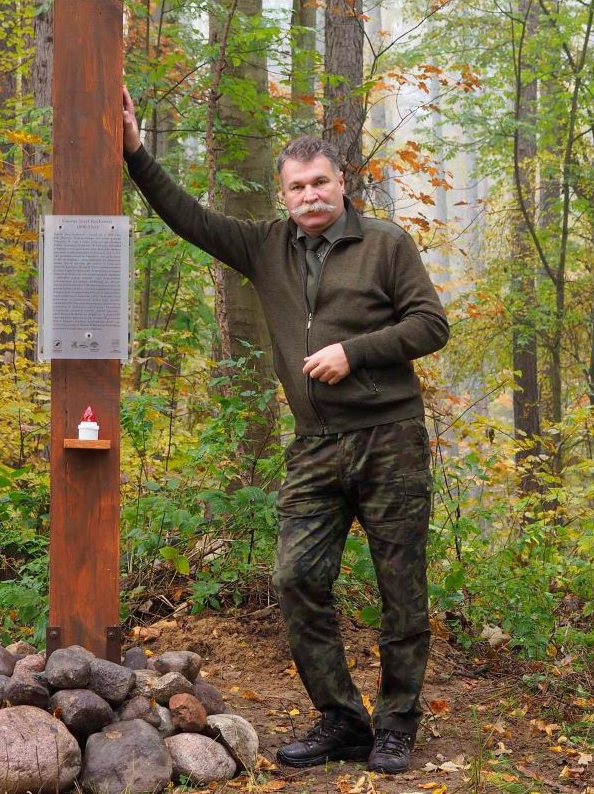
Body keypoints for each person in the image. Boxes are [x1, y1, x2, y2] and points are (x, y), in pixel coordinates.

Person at [122, 88, 449, 774]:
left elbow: (429, 325)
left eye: (319, 182)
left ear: (341, 183)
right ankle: (341, 718)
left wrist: (353, 351)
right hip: (315, 447)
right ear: (284, 194)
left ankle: (395, 724)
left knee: (400, 589)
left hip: (389, 439)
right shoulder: (265, 247)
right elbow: (188, 217)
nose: (308, 196)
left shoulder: (385, 244)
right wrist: (134, 151)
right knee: (295, 577)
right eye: (296, 186)